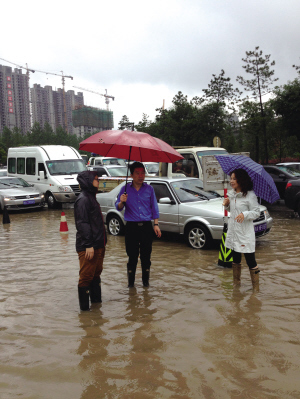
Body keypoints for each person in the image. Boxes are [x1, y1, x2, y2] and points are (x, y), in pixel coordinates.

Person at [115, 161, 161, 288]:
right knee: (132, 257)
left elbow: (154, 208)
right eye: (137, 173)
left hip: (146, 226)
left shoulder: (149, 189)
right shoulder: (124, 190)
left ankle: (146, 284)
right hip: (131, 227)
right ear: (131, 175)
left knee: (146, 257)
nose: (141, 176)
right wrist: (122, 202)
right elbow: (118, 207)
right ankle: (131, 286)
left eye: (143, 173)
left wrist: (156, 224)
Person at [222, 168, 261, 292]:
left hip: (245, 233)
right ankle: (236, 287)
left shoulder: (250, 195)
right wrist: (227, 205)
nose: (231, 181)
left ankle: (256, 289)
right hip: (234, 232)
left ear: (241, 180)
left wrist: (245, 214)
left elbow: (256, 213)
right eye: (231, 178)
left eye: (234, 178)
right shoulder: (232, 194)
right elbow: (233, 212)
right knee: (236, 259)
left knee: (251, 260)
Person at [74, 170, 107, 310]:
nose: (98, 181)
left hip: (98, 244)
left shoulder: (92, 197)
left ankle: (96, 306)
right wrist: (88, 245)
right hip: (89, 246)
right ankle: (85, 313)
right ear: (88, 181)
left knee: (96, 274)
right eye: (96, 179)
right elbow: (82, 223)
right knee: (86, 277)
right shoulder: (83, 199)